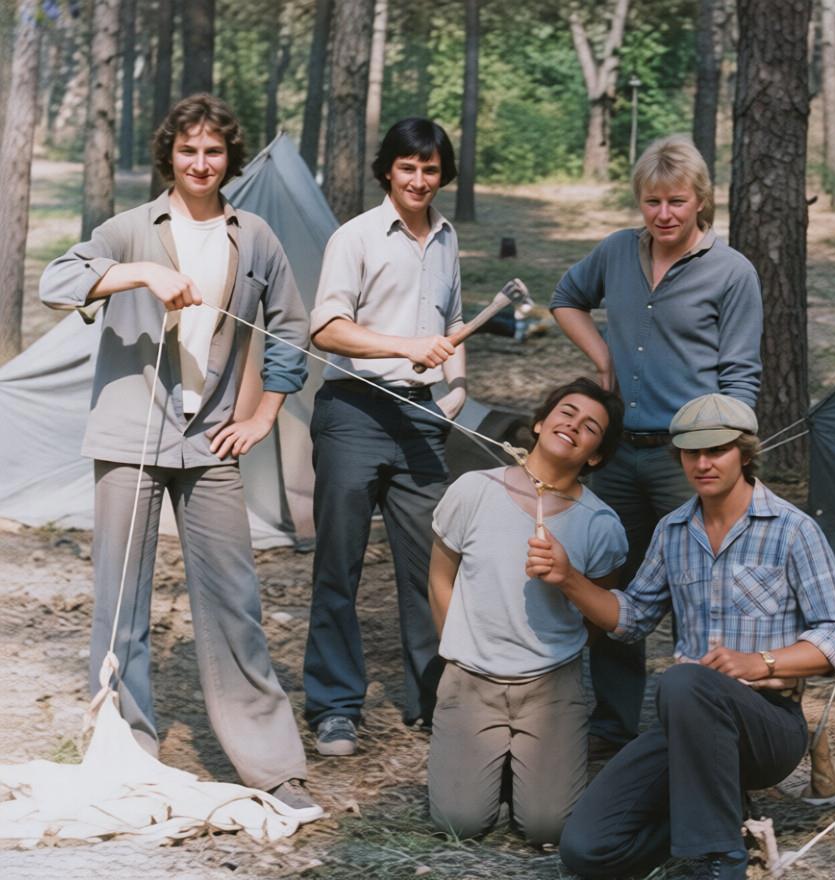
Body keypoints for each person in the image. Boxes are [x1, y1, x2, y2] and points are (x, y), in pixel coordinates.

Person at [38, 94, 320, 817]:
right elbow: (55, 283)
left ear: (229, 158)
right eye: (189, 150)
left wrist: (263, 414)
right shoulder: (130, 228)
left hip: (212, 438)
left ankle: (271, 764)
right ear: (170, 154)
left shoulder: (254, 236)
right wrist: (138, 274)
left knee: (235, 603)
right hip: (127, 437)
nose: (201, 163)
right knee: (121, 605)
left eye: (214, 151)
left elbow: (292, 328)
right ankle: (126, 754)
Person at [531, 393, 835, 879]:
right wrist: (568, 578)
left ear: (744, 454)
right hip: (687, 726)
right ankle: (722, 814)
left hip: (769, 725)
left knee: (683, 681)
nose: (703, 464)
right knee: (587, 849)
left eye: (717, 450)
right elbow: (632, 618)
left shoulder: (793, 530)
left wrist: (761, 662)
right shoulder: (672, 531)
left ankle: (719, 859)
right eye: (692, 453)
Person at [550, 134, 764, 750]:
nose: (664, 214)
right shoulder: (618, 252)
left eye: (676, 201)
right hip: (619, 453)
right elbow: (566, 298)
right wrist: (603, 358)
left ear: (701, 201)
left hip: (689, 457)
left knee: (705, 588)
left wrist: (728, 457)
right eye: (652, 202)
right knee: (613, 585)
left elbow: (741, 377)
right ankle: (614, 725)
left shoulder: (732, 272)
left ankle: (708, 720)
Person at [303, 118, 466, 756]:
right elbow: (326, 328)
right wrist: (405, 347)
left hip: (422, 416)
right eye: (408, 167)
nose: (419, 180)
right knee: (338, 565)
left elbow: (452, 322)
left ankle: (434, 700)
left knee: (431, 567)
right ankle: (335, 706)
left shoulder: (448, 239)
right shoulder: (356, 236)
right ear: (387, 171)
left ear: (442, 175)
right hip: (353, 412)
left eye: (430, 169)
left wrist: (456, 389)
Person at [426, 378, 628, 845]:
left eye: (590, 427)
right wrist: (457, 653)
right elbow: (440, 577)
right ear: (539, 423)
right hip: (471, 678)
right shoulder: (474, 489)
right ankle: (494, 762)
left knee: (547, 827)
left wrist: (564, 590)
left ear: (596, 456)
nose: (573, 425)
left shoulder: (600, 525)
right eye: (566, 413)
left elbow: (599, 614)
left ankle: (523, 765)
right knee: (459, 823)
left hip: (549, 686)